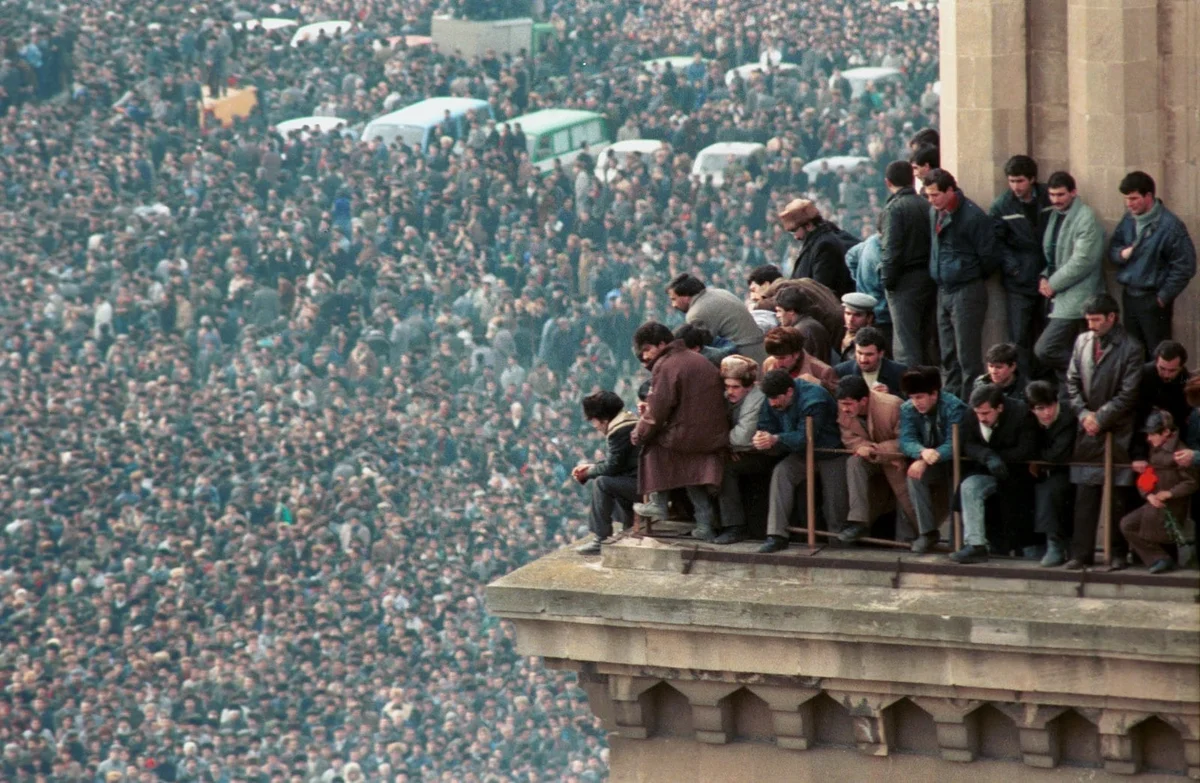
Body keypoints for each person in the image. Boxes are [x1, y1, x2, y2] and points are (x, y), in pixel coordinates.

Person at [630, 322, 729, 542]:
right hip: (712, 433)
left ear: (662, 344)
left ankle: (658, 505)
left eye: (647, 349)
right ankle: (705, 525)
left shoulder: (667, 365)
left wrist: (638, 433)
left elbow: (657, 410)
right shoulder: (698, 359)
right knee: (691, 472)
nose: (645, 356)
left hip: (688, 435)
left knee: (651, 444)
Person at [1064, 293, 1143, 570]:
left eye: (1096, 320)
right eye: (1088, 320)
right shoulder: (1082, 341)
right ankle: (1081, 553)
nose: (1092, 326)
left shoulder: (1131, 347)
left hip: (1117, 430)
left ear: (1112, 317)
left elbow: (1129, 392)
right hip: (1087, 429)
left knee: (1118, 496)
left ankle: (1118, 553)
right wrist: (1084, 414)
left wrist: (1102, 417)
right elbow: (1071, 382)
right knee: (1085, 494)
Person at [754, 369, 847, 553]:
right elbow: (765, 424)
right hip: (801, 455)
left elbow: (806, 437)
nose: (772, 403)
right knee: (782, 473)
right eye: (770, 399)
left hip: (830, 452)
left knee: (835, 502)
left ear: (789, 392)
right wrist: (762, 437)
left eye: (776, 398)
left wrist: (776, 439)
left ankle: (840, 544)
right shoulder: (772, 398)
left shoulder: (814, 398)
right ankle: (777, 535)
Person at [1033, 171, 1106, 389]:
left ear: (1073, 193)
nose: (1055, 200)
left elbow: (1082, 261)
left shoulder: (1086, 217)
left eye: (1061, 195)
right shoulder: (1056, 215)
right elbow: (1055, 255)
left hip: (1078, 294)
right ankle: (1074, 390)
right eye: (1052, 195)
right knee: (1067, 351)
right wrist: (1045, 276)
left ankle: (1088, 371)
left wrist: (1052, 283)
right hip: (1060, 293)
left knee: (1046, 348)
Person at [1109, 171, 1197, 352]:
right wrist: (1121, 254)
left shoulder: (1170, 226)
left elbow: (1185, 266)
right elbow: (1113, 247)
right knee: (1132, 352)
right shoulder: (1128, 219)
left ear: (1148, 196)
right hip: (1130, 295)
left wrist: (1162, 297)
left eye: (1133, 198)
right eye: (1126, 199)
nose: (1129, 204)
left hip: (1152, 299)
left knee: (1157, 353)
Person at [951, 384, 1037, 563]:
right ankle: (975, 545)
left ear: (1000, 407)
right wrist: (988, 456)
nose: (981, 418)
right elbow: (968, 444)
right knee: (969, 487)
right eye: (978, 413)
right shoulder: (972, 414)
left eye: (986, 413)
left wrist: (999, 458)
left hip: (1016, 474)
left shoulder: (1021, 413)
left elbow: (1026, 449)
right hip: (986, 470)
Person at [990, 154, 1052, 378]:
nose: (1015, 186)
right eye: (1012, 181)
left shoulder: (1047, 198)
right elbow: (997, 243)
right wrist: (1014, 269)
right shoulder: (1002, 205)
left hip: (1048, 277)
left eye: (1020, 181)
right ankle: (1026, 386)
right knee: (1020, 339)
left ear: (1032, 179)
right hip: (1020, 282)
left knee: (1048, 337)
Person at [836, 375, 917, 543]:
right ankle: (858, 521)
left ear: (863, 400)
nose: (844, 409)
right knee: (854, 461)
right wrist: (865, 449)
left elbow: (906, 440)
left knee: (907, 509)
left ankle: (912, 538)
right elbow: (850, 439)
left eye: (849, 404)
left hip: (899, 464)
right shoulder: (842, 410)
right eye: (842, 404)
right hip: (874, 461)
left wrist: (876, 451)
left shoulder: (892, 405)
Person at [899, 366, 968, 553]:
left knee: (958, 494)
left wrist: (929, 456)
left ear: (934, 394)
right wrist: (922, 453)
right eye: (912, 398)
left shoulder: (954, 407)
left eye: (920, 397)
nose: (916, 403)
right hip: (931, 460)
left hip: (957, 462)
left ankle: (959, 539)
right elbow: (906, 440)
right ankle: (927, 532)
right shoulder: (907, 409)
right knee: (914, 476)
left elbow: (955, 442)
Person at [1120, 411, 1199, 573]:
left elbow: (1191, 482)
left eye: (1152, 434)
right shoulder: (1154, 449)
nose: (1149, 438)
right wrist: (1148, 495)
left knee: (1150, 526)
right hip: (1154, 501)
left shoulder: (1180, 452)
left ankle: (1162, 559)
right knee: (1127, 524)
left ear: (1166, 432)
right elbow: (1146, 478)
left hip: (1171, 505)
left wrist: (1169, 493)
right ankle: (1159, 558)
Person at [879, 159, 935, 369]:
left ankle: (912, 392)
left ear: (887, 182)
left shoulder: (894, 209)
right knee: (925, 340)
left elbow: (891, 250)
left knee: (905, 345)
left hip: (904, 281)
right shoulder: (925, 204)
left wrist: (887, 281)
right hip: (928, 277)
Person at [573, 391, 641, 555]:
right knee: (611, 480)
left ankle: (601, 538)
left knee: (603, 483)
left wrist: (588, 472)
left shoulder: (620, 430)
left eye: (594, 421)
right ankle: (628, 524)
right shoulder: (627, 421)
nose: (594, 426)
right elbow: (618, 462)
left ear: (603, 419)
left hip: (643, 485)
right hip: (640, 478)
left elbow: (612, 467)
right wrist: (592, 466)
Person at [715, 355, 772, 544]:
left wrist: (723, 444)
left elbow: (742, 437)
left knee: (726, 469)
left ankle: (735, 527)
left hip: (765, 453)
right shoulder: (729, 399)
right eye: (727, 386)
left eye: (735, 387)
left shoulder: (756, 399)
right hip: (740, 449)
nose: (729, 392)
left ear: (748, 386)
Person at [1026, 380, 1078, 567]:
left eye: (1050, 406)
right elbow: (1026, 446)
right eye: (1041, 408)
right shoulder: (1028, 419)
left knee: (1052, 490)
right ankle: (1034, 545)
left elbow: (1058, 454)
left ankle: (1055, 544)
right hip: (1043, 471)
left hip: (1067, 470)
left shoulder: (1067, 417)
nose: (1047, 413)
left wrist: (1038, 460)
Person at [668, 273, 767, 362]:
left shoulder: (695, 314)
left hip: (744, 355)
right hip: (759, 347)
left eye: (674, 299)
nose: (673, 305)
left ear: (685, 297)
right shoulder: (719, 292)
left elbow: (700, 349)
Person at [1130, 340, 1192, 468]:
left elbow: (1183, 419)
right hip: (1145, 438)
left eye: (1172, 371)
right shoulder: (1144, 376)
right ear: (1156, 362)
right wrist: (1139, 454)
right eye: (1162, 368)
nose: (1166, 374)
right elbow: (1137, 417)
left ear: (1181, 367)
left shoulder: (1186, 381)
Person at [778, 198, 856, 296]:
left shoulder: (825, 246)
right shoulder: (815, 243)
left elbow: (820, 290)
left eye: (794, 231)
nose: (795, 236)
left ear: (809, 225)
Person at [762, 326, 839, 393]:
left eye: (782, 358)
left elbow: (837, 401)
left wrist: (820, 386)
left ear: (796, 354)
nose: (778, 363)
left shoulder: (822, 371)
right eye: (775, 357)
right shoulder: (768, 363)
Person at [834, 326, 907, 397]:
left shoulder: (899, 372)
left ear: (881, 354)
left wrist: (891, 395)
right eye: (859, 353)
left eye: (869, 354)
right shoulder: (841, 372)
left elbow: (910, 400)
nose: (863, 359)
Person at [772, 285, 835, 362]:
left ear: (791, 311)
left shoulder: (802, 331)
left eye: (779, 311)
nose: (777, 315)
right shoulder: (808, 325)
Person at [837, 291, 877, 363]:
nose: (850, 320)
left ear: (869, 318)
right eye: (848, 313)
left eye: (857, 315)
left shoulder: (872, 340)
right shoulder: (843, 331)